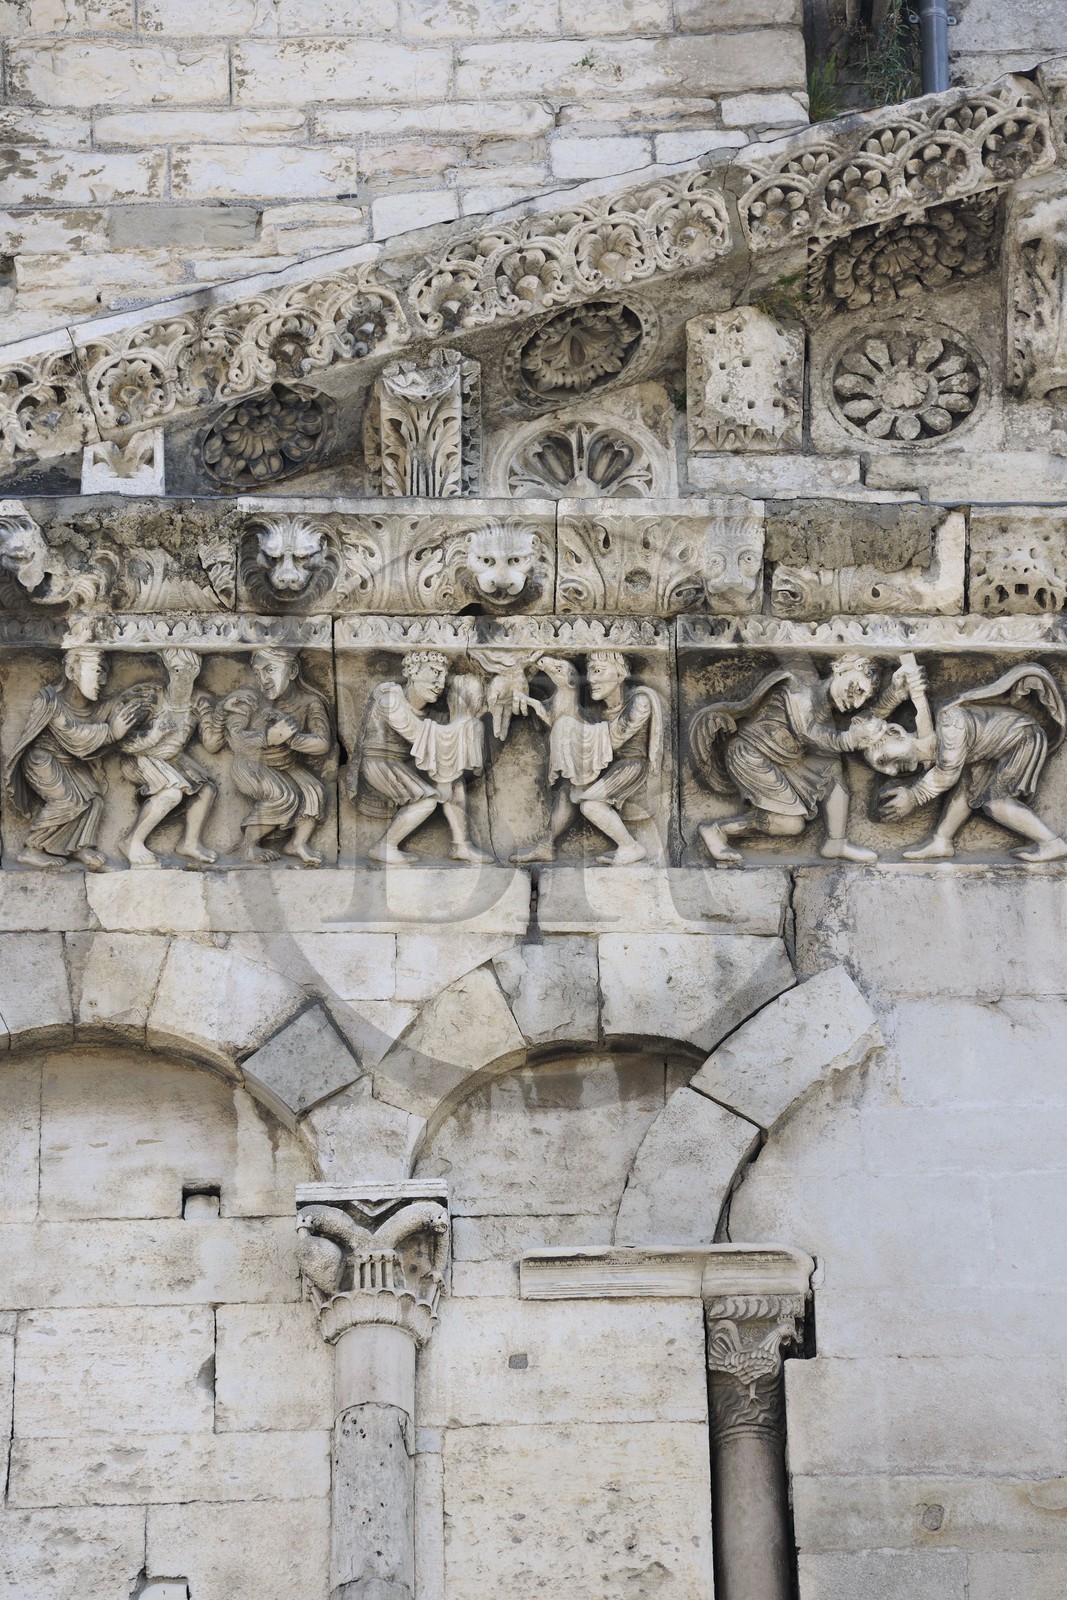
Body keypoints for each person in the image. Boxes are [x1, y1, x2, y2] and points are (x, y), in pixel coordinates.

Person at [690, 653, 892, 866]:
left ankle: (836, 841)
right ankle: (717, 830)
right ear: (842, 667)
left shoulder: (825, 710)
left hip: (785, 761)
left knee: (831, 765)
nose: (856, 702)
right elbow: (808, 732)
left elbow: (865, 719)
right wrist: (849, 740)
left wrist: (896, 693)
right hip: (750, 754)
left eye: (863, 699)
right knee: (790, 825)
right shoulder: (799, 688)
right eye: (857, 689)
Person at [864, 662, 1067, 862]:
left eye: (883, 759)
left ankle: (1052, 842)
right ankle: (941, 840)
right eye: (883, 768)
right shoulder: (936, 741)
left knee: (995, 803)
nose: (890, 771)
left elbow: (947, 773)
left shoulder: (949, 722)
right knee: (968, 784)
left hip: (1021, 739)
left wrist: (914, 796)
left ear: (895, 732)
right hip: (991, 751)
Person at [5, 646, 151, 870]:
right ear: (73, 671)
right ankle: (32, 849)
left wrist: (123, 698)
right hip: (41, 761)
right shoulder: (50, 701)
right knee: (69, 801)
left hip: (67, 762)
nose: (102, 681)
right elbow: (75, 736)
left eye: (105, 673)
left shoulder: (86, 705)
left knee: (94, 801)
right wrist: (111, 732)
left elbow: (96, 714)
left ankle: (79, 847)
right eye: (97, 671)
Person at [514, 651, 663, 867]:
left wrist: (567, 727)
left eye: (599, 671)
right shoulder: (603, 712)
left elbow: (613, 738)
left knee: (591, 806)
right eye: (590, 672)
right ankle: (546, 846)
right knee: (568, 790)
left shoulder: (639, 702)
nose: (591, 679)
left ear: (621, 674)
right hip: (611, 764)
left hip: (631, 767)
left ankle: (631, 847)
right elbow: (584, 732)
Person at [351, 651, 491, 865]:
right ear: (411, 672)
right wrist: (464, 726)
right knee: (425, 801)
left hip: (404, 764)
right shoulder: (390, 700)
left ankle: (462, 845)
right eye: (434, 673)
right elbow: (418, 734)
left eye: (444, 676)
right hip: (380, 763)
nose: (440, 683)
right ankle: (383, 846)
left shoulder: (429, 710)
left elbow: (433, 744)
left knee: (453, 782)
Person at [201, 648, 333, 866]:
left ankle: (297, 843)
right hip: (249, 765)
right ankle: (248, 845)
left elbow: (322, 743)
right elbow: (236, 740)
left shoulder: (310, 703)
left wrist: (293, 739)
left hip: (287, 764)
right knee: (282, 795)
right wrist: (268, 737)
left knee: (316, 791)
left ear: (291, 670)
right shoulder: (250, 700)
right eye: (257, 672)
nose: (263, 679)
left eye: (270, 669)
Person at [117, 648, 217, 869]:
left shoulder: (200, 701)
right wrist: (153, 735)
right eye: (175, 669)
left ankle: (189, 843)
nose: (180, 674)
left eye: (187, 669)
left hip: (172, 759)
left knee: (207, 789)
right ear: (168, 670)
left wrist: (219, 719)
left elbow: (212, 744)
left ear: (196, 670)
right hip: (141, 757)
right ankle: (131, 841)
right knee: (171, 794)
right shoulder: (152, 697)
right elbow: (122, 742)